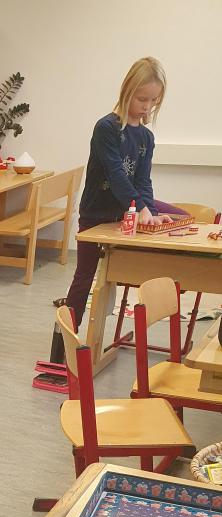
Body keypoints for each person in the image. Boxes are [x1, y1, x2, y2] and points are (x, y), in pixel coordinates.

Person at [57, 56, 181, 329]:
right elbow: (117, 177)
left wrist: (152, 212)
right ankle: (65, 336)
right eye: (142, 99)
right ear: (127, 92)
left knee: (179, 218)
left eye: (153, 101)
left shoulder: (146, 137)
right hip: (96, 214)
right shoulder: (106, 128)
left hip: (125, 213)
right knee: (85, 275)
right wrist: (142, 209)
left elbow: (143, 181)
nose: (147, 106)